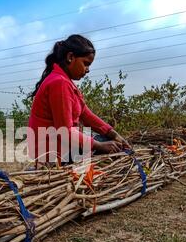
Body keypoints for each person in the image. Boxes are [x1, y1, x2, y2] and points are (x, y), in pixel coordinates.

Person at [27, 34, 131, 165]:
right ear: (71, 57)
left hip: (61, 148)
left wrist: (114, 134)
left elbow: (86, 114)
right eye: (86, 64)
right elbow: (64, 132)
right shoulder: (59, 83)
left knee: (108, 141)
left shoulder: (65, 81)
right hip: (53, 154)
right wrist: (98, 145)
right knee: (107, 146)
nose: (87, 70)